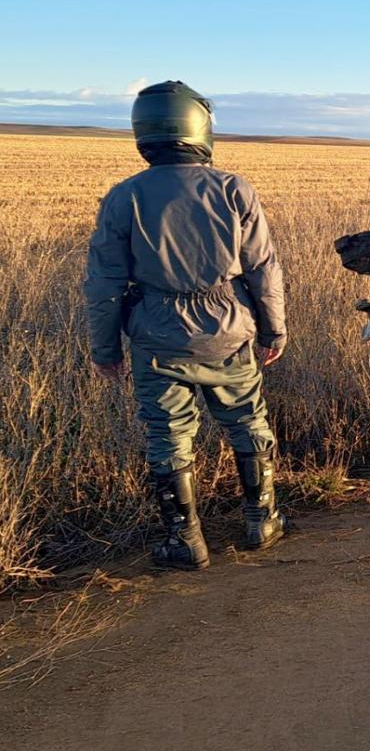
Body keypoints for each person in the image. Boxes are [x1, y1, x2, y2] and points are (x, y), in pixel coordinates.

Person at [84, 81, 288, 570]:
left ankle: (185, 540)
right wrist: (273, 330)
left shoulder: (123, 197)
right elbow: (263, 267)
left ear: (144, 131)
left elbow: (104, 282)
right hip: (229, 331)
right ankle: (262, 521)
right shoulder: (233, 189)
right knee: (246, 422)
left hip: (157, 338)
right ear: (199, 128)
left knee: (167, 434)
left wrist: (105, 348)